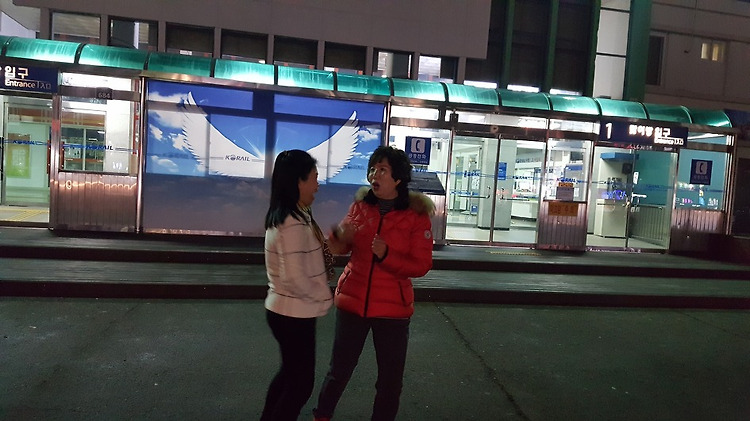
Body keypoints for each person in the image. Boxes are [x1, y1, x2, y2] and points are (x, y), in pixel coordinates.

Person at [313, 146, 434, 421]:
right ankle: (321, 416)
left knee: (390, 381)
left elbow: (421, 264)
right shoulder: (360, 206)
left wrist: (387, 255)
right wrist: (339, 237)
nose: (374, 175)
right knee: (338, 371)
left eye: (382, 170)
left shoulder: (416, 215)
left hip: (393, 310)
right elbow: (340, 246)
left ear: (398, 178)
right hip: (353, 301)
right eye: (372, 169)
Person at [261, 149, 334, 421]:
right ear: (298, 182)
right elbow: (295, 276)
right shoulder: (293, 223)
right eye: (314, 177)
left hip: (285, 309)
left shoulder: (290, 215)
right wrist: (323, 297)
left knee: (289, 376)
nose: (317, 185)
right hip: (293, 313)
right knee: (300, 385)